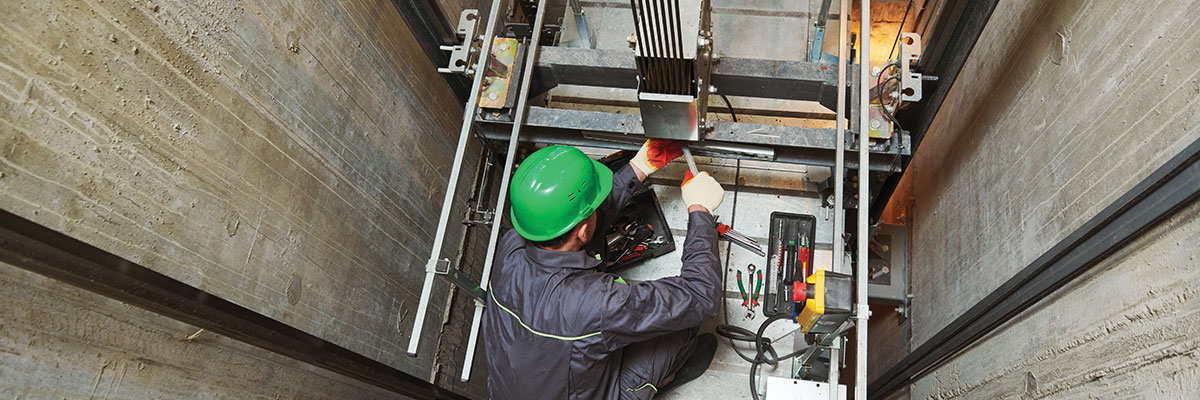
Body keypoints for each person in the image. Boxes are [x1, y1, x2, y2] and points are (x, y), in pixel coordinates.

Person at [483, 140, 726, 400]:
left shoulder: (513, 244)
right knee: (684, 319)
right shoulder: (595, 302)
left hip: (517, 385)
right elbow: (702, 295)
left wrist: (638, 168)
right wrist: (700, 211)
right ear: (583, 231)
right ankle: (662, 378)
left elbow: (579, 227)